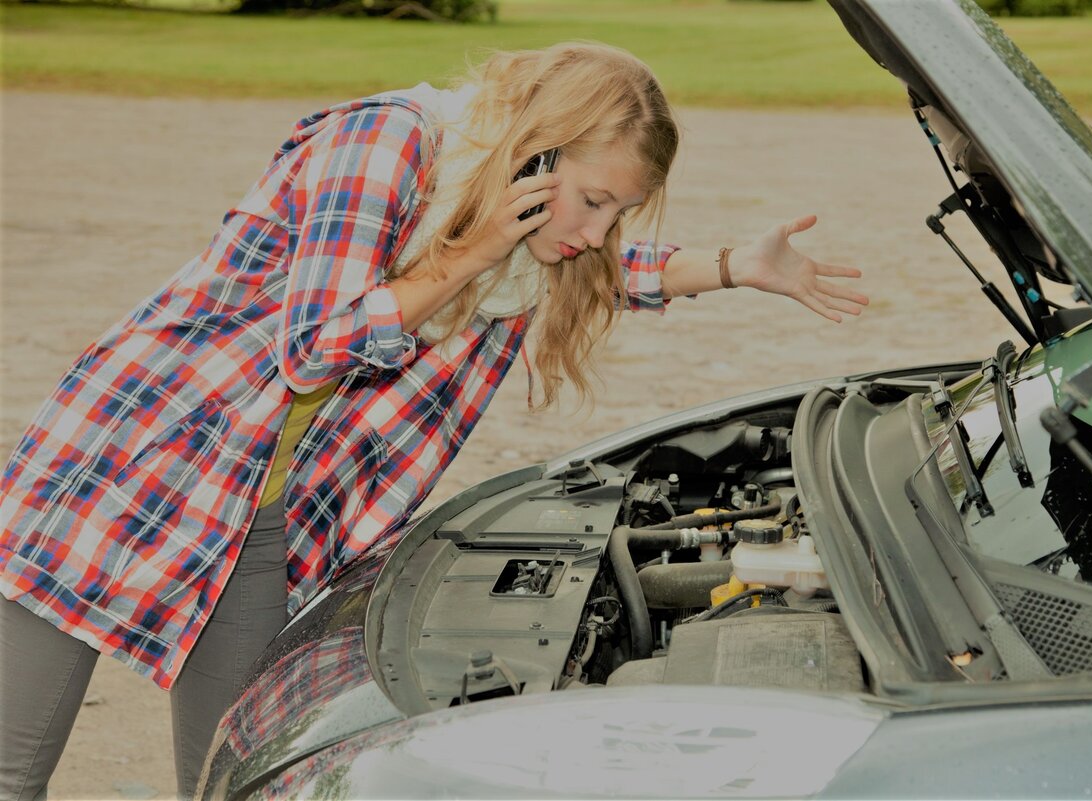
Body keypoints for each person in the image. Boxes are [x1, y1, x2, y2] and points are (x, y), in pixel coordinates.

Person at [0, 42, 868, 800]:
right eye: (596, 199)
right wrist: (475, 249)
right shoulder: (387, 144)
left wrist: (728, 266)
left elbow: (588, 271)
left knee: (247, 774)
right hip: (139, 458)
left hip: (256, 516)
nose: (600, 230)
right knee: (12, 768)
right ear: (536, 155)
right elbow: (314, 345)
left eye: (618, 211)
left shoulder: (521, 241)